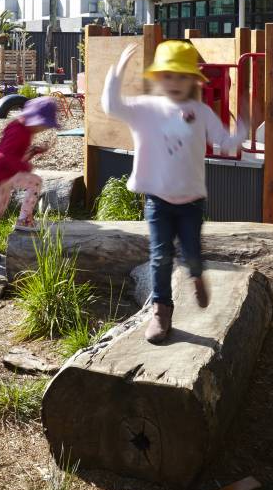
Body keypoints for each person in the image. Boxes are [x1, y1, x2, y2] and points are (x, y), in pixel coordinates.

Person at [102, 40, 246, 345]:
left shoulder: (201, 111)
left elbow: (224, 141)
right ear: (158, 78)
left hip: (192, 201)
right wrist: (116, 74)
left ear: (194, 80)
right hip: (158, 200)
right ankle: (161, 311)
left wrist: (243, 127)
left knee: (192, 252)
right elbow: (112, 107)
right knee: (161, 256)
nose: (175, 82)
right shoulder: (145, 108)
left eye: (182, 76)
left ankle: (196, 274)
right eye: (168, 75)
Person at [0, 97, 59, 261]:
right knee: (35, 181)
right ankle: (24, 220)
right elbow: (5, 155)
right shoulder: (20, 131)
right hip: (4, 172)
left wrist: (35, 151)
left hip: (0, 172)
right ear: (35, 119)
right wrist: (25, 167)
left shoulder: (22, 128)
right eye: (43, 125)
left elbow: (15, 152)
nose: (43, 129)